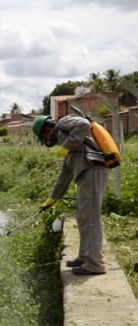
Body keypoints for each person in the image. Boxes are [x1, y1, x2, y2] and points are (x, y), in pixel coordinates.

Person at [32, 114, 109, 275]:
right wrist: (52, 198)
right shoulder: (70, 145)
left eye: (44, 137)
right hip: (86, 173)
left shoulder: (63, 123)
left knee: (90, 218)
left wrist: (66, 146)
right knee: (82, 216)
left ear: (47, 130)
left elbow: (83, 125)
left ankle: (95, 263)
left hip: (93, 169)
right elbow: (64, 175)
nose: (48, 142)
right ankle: (83, 257)